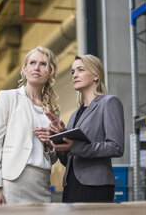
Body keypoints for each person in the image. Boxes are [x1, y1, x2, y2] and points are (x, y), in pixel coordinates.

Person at [0, 46, 60, 206]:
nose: (37, 67)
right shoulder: (8, 98)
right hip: (13, 181)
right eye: (32, 63)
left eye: (43, 64)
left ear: (50, 73)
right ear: (24, 69)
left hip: (42, 181)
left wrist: (50, 143)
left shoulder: (52, 109)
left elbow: (53, 157)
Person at [46, 54, 124, 203]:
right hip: (71, 185)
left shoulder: (109, 103)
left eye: (80, 70)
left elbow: (116, 147)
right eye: (73, 72)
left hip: (95, 186)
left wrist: (75, 146)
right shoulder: (76, 114)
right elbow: (68, 159)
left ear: (95, 75)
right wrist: (58, 136)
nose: (75, 75)